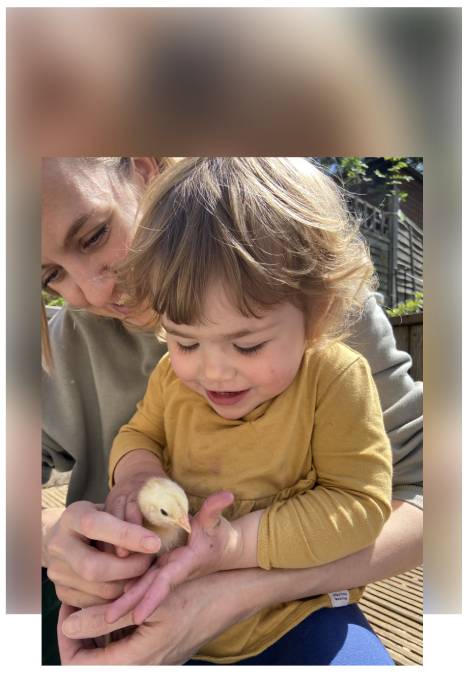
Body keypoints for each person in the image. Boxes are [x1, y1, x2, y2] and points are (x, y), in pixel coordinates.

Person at [41, 157, 422, 665]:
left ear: (319, 316)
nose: (212, 373)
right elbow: (141, 434)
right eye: (182, 340)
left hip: (287, 615)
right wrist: (125, 484)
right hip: (136, 601)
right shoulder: (171, 375)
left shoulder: (332, 366)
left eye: (93, 236)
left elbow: (368, 500)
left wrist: (233, 555)